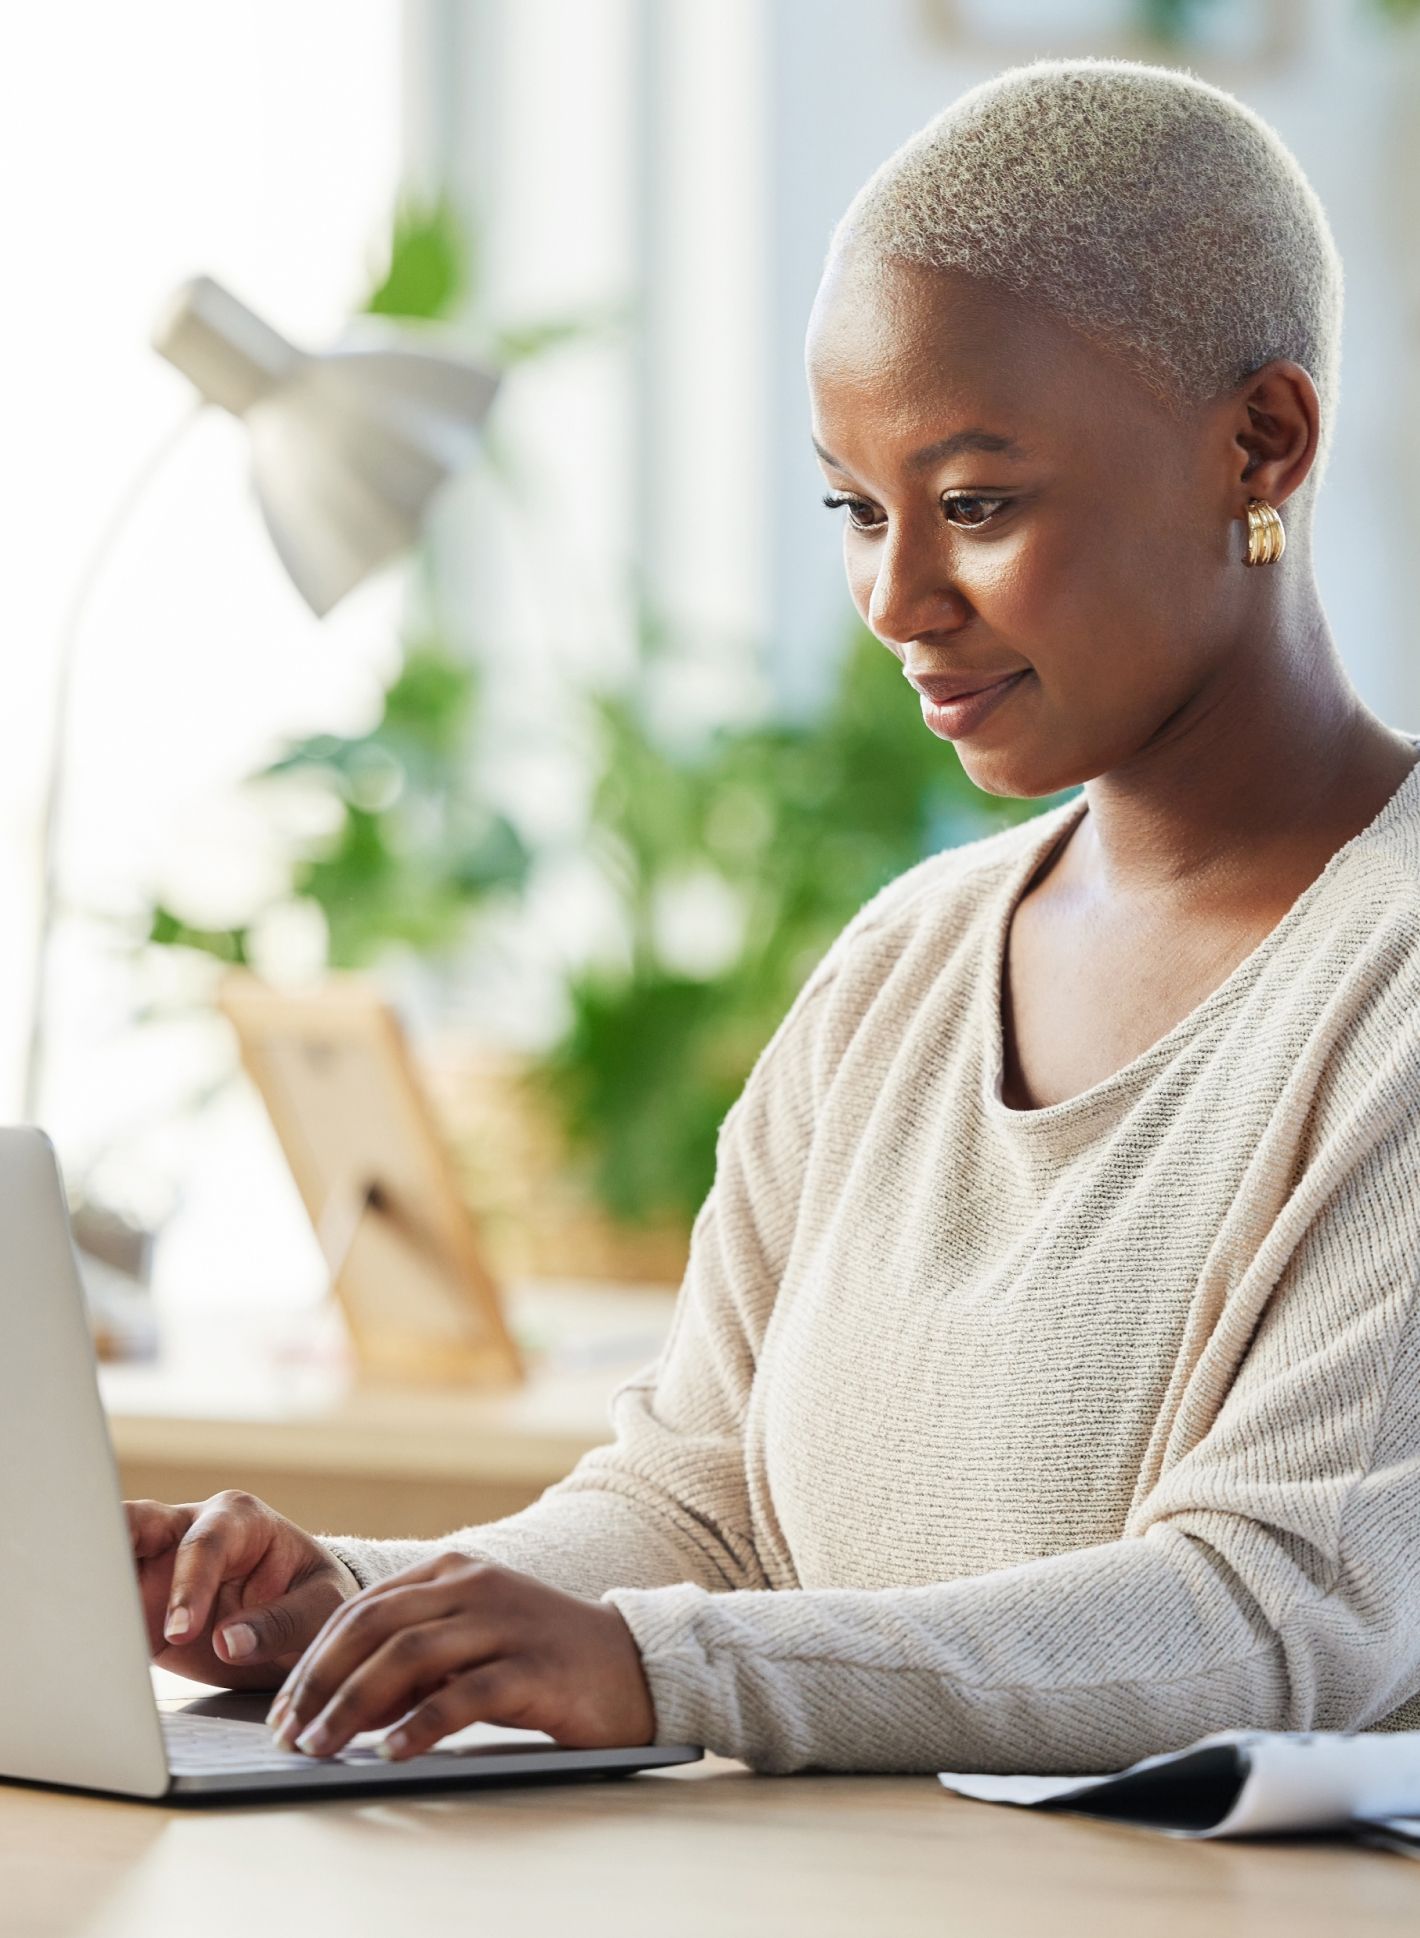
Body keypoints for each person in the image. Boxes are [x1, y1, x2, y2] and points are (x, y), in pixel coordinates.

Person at [127, 56, 1420, 1776]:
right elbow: (703, 1502)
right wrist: (358, 1614)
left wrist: (670, 1668)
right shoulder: (906, 964)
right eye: (856, 508)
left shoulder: (1387, 975)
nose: (895, 598)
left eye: (975, 503)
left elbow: (1282, 1610)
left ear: (1262, 439)